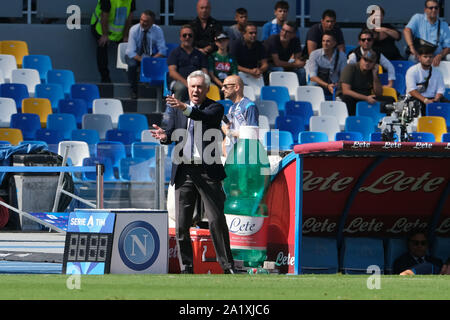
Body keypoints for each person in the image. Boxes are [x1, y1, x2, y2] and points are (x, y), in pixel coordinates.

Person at [150, 70, 235, 274]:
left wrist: (184, 108)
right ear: (188, 88)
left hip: (208, 172)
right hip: (184, 170)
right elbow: (172, 134)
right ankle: (186, 267)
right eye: (192, 87)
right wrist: (164, 136)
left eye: (199, 87)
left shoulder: (215, 107)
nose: (196, 90)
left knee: (216, 220)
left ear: (207, 89)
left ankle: (228, 267)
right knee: (181, 224)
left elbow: (202, 117)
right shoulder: (178, 110)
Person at [337, 49, 395, 116]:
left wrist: (375, 75)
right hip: (349, 96)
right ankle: (352, 121)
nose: (367, 63)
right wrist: (366, 98)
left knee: (390, 100)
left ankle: (383, 122)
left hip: (364, 97)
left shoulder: (372, 71)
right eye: (365, 60)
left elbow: (378, 93)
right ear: (361, 59)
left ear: (374, 64)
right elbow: (346, 91)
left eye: (370, 62)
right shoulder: (350, 68)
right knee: (347, 99)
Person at [125, 10, 167, 99]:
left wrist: (152, 60)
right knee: (132, 65)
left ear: (152, 22)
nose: (142, 23)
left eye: (146, 21)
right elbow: (131, 52)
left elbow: (162, 50)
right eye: (141, 20)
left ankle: (164, 91)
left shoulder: (158, 30)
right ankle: (133, 91)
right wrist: (145, 61)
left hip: (150, 56)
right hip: (135, 56)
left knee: (163, 63)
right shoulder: (134, 30)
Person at [90, 0, 135, 83]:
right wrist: (105, 35)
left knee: (128, 49)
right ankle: (105, 78)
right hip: (100, 27)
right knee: (102, 46)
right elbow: (104, 16)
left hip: (119, 30)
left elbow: (129, 17)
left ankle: (133, 79)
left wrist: (125, 36)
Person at [167, 25, 208, 102]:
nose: (187, 37)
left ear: (193, 38)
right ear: (180, 37)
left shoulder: (199, 54)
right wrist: (187, 83)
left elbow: (204, 71)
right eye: (184, 35)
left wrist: (204, 82)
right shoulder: (175, 53)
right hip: (179, 82)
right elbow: (172, 72)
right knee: (181, 88)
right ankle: (176, 111)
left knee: (212, 88)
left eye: (190, 35)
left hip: (197, 81)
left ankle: (210, 111)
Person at [221, 75, 259, 156]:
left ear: (236, 87)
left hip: (244, 157)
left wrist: (230, 132)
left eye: (225, 86)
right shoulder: (231, 108)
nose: (222, 89)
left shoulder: (249, 106)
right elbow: (228, 135)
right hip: (232, 157)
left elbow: (252, 135)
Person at [404, 0, 450, 66]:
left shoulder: (444, 24)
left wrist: (440, 55)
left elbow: (448, 47)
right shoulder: (417, 18)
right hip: (419, 54)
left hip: (436, 56)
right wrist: (411, 47)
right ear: (425, 10)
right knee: (413, 58)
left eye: (436, 8)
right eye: (431, 8)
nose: (434, 10)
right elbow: (407, 30)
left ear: (439, 10)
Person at [405, 45, 448, 116]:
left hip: (432, 99)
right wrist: (425, 100)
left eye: (430, 57)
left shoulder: (437, 72)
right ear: (419, 58)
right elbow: (412, 90)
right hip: (416, 99)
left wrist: (436, 99)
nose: (428, 59)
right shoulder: (412, 71)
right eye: (425, 57)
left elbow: (441, 90)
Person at [264, 21, 307, 85]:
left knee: (301, 71)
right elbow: (277, 63)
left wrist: (299, 63)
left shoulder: (296, 40)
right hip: (269, 66)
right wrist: (295, 64)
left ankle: (301, 91)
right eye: (283, 30)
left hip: (285, 65)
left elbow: (297, 60)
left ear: (293, 34)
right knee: (280, 70)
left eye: (288, 32)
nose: (284, 33)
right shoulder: (273, 39)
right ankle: (280, 92)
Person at [306, 31, 347, 98]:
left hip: (336, 85)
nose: (325, 43)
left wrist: (337, 85)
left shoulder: (342, 56)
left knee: (346, 89)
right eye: (323, 41)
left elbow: (343, 76)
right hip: (320, 84)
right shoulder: (314, 54)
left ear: (334, 43)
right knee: (312, 85)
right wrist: (327, 85)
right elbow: (313, 77)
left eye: (328, 41)